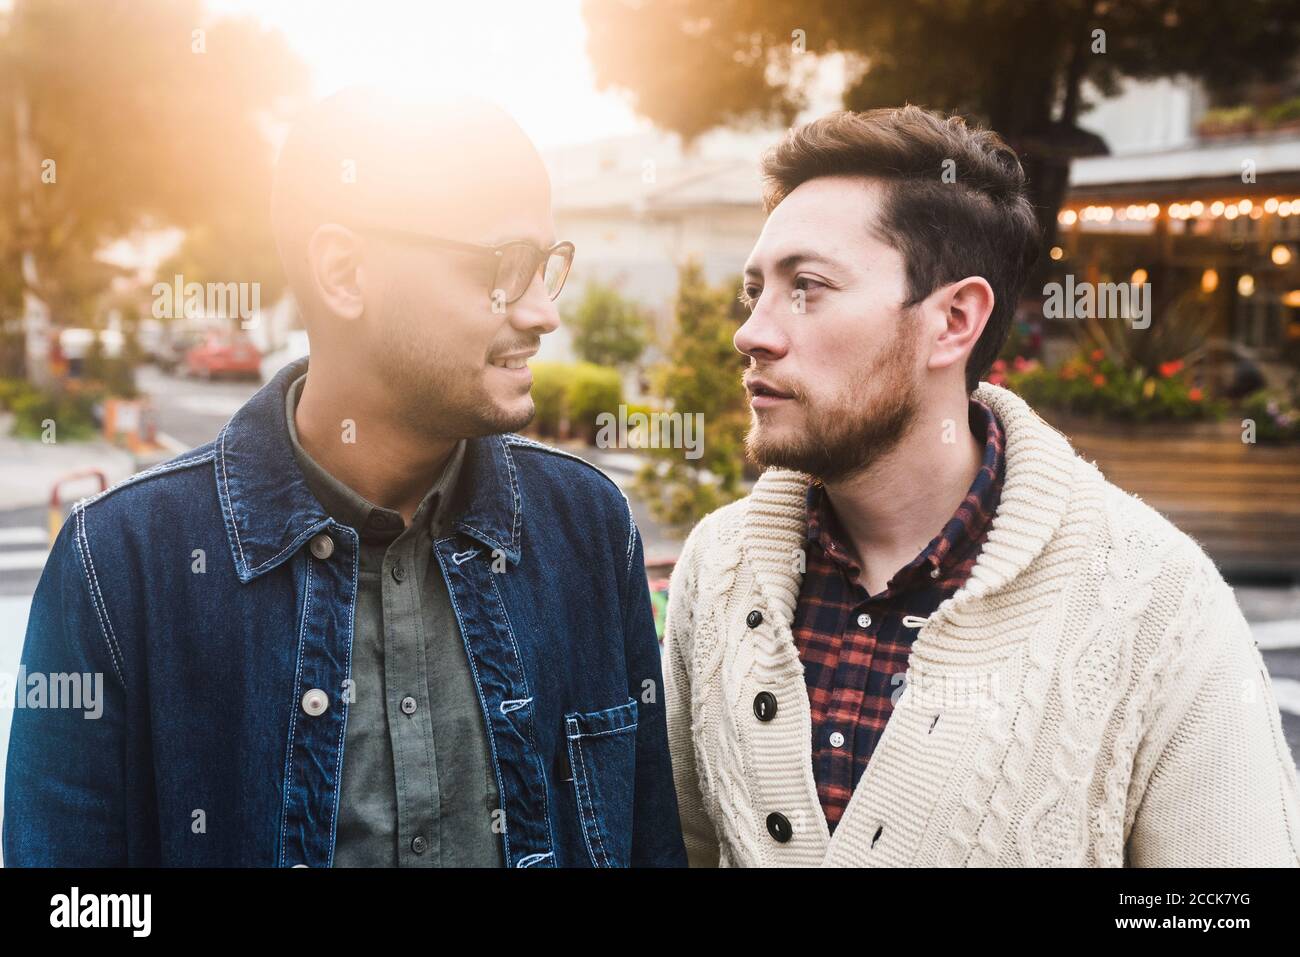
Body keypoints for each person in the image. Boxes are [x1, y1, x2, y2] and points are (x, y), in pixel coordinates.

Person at [3, 87, 685, 868]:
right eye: (508, 267)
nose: (544, 313)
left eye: (550, 267)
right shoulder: (118, 566)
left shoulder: (588, 528)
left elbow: (649, 844)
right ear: (345, 271)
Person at [662, 105, 1300, 867]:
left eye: (806, 286)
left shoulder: (1159, 603)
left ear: (954, 320)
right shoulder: (720, 567)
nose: (753, 331)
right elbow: (678, 849)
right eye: (756, 289)